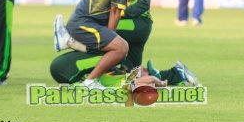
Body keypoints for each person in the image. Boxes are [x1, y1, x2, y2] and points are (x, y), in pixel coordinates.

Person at [54, 0, 147, 88]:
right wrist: (112, 37)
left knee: (115, 47)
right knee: (121, 48)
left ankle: (70, 41)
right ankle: (90, 82)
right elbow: (115, 11)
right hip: (83, 24)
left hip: (81, 23)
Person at [50, 50, 198, 87]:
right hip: (70, 71)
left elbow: (151, 78)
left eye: (145, 70)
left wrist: (160, 83)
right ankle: (177, 74)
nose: (143, 68)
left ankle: (70, 39)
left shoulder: (126, 81)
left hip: (66, 70)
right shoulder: (125, 77)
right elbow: (150, 78)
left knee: (115, 51)